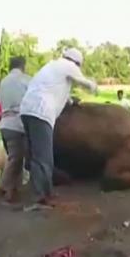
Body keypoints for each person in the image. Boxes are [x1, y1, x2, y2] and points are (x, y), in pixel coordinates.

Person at [19, 48, 97, 209]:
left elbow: (53, 89)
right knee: (44, 158)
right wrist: (94, 86)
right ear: (77, 63)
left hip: (27, 111)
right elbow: (85, 83)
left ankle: (37, 194)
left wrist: (69, 100)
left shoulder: (52, 66)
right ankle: (40, 199)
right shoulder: (68, 65)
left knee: (35, 156)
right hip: (41, 112)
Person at [0, 56, 31, 202]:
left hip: (4, 124)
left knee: (16, 157)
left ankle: (13, 191)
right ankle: (3, 188)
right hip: (17, 124)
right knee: (16, 159)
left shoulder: (3, 82)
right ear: (22, 66)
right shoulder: (25, 80)